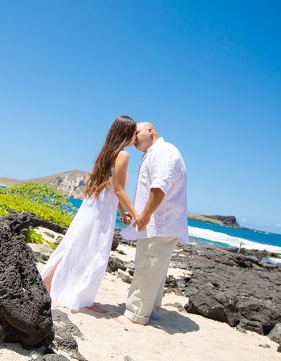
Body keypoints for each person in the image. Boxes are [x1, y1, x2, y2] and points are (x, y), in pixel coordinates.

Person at [41, 115, 139, 313]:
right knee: (94, 252)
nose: (136, 138)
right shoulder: (123, 155)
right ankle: (83, 298)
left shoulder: (106, 153)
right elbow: (119, 189)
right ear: (126, 133)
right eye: (134, 133)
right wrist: (137, 214)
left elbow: (108, 188)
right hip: (101, 212)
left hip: (95, 206)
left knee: (74, 246)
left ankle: (47, 284)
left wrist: (121, 211)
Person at [116, 121, 188, 325]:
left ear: (151, 131)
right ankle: (150, 309)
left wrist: (146, 215)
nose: (134, 137)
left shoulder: (163, 151)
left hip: (159, 222)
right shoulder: (156, 153)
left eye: (136, 132)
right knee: (156, 268)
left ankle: (135, 314)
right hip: (162, 222)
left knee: (147, 265)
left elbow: (159, 187)